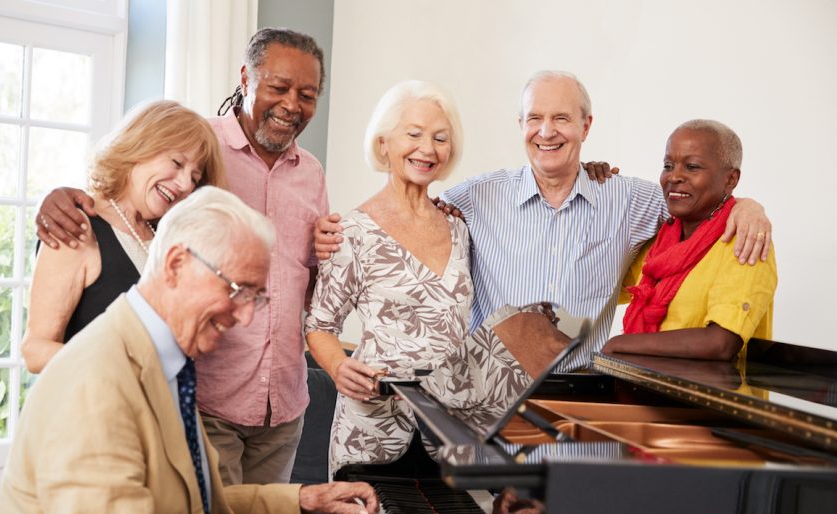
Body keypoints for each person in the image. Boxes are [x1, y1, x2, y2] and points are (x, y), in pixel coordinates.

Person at [315, 70, 772, 373]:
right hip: (488, 405)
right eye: (535, 118)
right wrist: (335, 234)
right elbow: (411, 212)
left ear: (585, 126)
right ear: (521, 125)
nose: (547, 131)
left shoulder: (630, 199)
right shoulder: (475, 197)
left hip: (583, 403)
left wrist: (749, 206)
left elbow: (697, 205)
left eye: (561, 118)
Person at [34, 28, 329, 486]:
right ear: (246, 78)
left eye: (307, 95)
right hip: (205, 400)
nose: (292, 104)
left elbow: (307, 278)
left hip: (284, 404)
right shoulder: (200, 143)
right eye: (279, 87)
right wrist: (57, 196)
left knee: (264, 511)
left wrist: (330, 254)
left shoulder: (311, 173)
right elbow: (123, 189)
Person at [0, 187, 378, 514]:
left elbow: (191, 506)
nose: (246, 316)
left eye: (255, 297)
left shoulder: (166, 365)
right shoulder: (97, 384)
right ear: (177, 264)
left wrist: (303, 499)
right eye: (238, 290)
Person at [304, 80, 478, 475]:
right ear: (383, 143)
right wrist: (339, 368)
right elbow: (320, 326)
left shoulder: (459, 229)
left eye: (440, 138)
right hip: (373, 429)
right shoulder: (351, 232)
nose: (427, 148)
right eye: (413, 134)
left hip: (449, 432)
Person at [21, 100, 225, 373]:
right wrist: (120, 363)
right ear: (141, 146)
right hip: (93, 400)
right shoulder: (77, 227)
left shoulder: (166, 241)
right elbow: (35, 351)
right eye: (177, 163)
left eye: (194, 177)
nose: (185, 184)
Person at [602, 120, 777, 360]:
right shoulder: (659, 242)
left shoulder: (745, 241)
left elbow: (721, 343)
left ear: (730, 179)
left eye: (692, 167)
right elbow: (596, 287)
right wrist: (596, 190)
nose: (674, 176)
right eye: (668, 165)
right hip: (644, 381)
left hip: (710, 385)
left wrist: (619, 344)